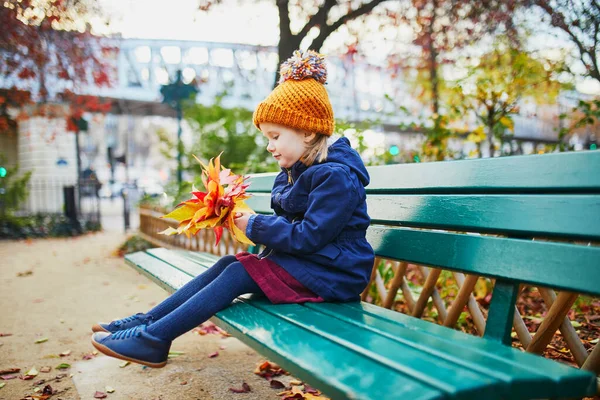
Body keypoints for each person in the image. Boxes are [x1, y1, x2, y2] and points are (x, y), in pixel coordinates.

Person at [90, 49, 375, 368]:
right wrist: (242, 219)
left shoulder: (334, 177)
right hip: (313, 265)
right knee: (231, 262)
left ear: (308, 132)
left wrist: (254, 225)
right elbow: (297, 229)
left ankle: (154, 339)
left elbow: (309, 237)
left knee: (240, 271)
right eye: (267, 137)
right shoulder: (301, 170)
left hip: (335, 274)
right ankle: (146, 323)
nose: (269, 145)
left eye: (275, 136)